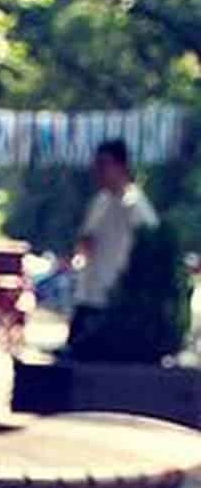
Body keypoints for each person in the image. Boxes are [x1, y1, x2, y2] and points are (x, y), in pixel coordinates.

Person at [69, 138, 157, 352]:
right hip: (88, 292)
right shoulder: (100, 202)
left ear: (121, 166)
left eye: (104, 164)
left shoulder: (136, 206)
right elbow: (86, 239)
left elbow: (149, 247)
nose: (98, 171)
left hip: (113, 299)